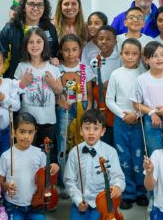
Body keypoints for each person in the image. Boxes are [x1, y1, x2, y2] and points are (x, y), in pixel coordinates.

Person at [64, 109, 126, 220]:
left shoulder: (110, 152)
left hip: (102, 205)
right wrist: (77, 200)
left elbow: (118, 177)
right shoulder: (74, 152)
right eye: (87, 128)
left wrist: (118, 186)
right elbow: (69, 180)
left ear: (103, 131)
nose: (91, 132)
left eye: (96, 128)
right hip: (82, 203)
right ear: (81, 131)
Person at [0, 113, 59, 220]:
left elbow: (47, 177)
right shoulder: (6, 155)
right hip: (13, 205)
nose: (26, 136)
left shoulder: (40, 154)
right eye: (22, 131)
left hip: (35, 204)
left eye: (30, 132)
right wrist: (5, 186)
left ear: (35, 132)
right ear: (14, 132)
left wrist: (54, 167)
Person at [105, 38, 146, 209]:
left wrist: (136, 114)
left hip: (139, 121)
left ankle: (141, 191)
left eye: (134, 54)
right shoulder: (116, 74)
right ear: (121, 54)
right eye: (126, 53)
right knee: (124, 158)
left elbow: (147, 99)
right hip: (121, 121)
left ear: (140, 56)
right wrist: (123, 115)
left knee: (139, 157)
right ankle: (128, 193)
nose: (130, 57)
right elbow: (109, 100)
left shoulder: (144, 74)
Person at [15, 27, 64, 162]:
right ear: (26, 45)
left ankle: (45, 181)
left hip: (48, 120)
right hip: (27, 121)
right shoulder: (22, 66)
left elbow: (60, 90)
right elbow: (14, 92)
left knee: (46, 154)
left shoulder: (52, 67)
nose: (35, 45)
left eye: (38, 42)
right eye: (31, 42)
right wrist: (23, 83)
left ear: (44, 44)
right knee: (26, 153)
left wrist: (53, 83)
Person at [56, 34, 91, 195]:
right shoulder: (57, 68)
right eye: (66, 50)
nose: (70, 53)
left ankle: (82, 181)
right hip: (64, 108)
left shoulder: (85, 67)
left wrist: (89, 106)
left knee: (82, 142)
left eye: (74, 50)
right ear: (61, 51)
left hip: (81, 106)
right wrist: (59, 100)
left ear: (80, 50)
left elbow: (89, 92)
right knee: (64, 143)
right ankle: (64, 183)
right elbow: (54, 90)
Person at [0, 0, 59, 79]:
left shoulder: (50, 28)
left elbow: (54, 53)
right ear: (24, 7)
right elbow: (1, 57)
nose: (35, 8)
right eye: (31, 4)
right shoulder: (10, 28)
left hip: (43, 82)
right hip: (14, 82)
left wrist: (55, 59)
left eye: (40, 5)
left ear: (44, 8)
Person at [87, 25, 121, 145]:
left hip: (118, 105)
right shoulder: (94, 62)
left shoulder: (120, 59)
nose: (104, 41)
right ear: (96, 41)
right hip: (101, 106)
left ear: (115, 42)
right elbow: (92, 85)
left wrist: (112, 84)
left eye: (108, 39)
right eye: (100, 38)